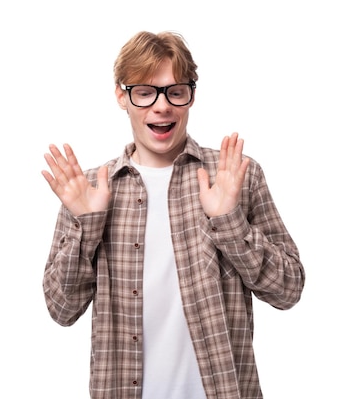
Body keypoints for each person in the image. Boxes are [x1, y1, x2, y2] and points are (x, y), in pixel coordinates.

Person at [41, 30, 305, 399]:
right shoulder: (89, 191)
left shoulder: (235, 176)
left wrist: (229, 221)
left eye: (175, 92)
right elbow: (61, 309)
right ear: (122, 95)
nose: (161, 106)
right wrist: (87, 227)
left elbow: (289, 290)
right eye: (145, 92)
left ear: (190, 96)